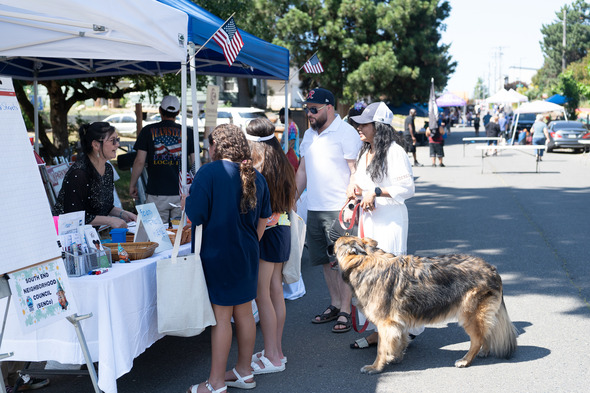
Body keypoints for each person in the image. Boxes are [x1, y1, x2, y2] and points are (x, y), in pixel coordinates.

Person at [185, 124, 271, 393]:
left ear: (215, 146)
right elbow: (264, 219)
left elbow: (195, 216)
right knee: (245, 313)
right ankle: (245, 372)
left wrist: (187, 198)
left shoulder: (208, 173)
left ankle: (216, 383)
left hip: (217, 254)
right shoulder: (256, 176)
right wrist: (249, 245)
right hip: (246, 253)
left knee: (222, 319)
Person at [345, 102, 421, 349]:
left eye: (364, 124)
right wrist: (353, 187)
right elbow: (358, 179)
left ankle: (394, 332)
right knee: (372, 277)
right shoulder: (364, 151)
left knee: (390, 279)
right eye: (358, 123)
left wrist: (376, 191)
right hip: (369, 221)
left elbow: (407, 188)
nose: (358, 127)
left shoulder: (395, 152)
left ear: (379, 126)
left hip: (390, 222)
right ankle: (381, 330)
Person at [295, 87, 362, 333]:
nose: (309, 114)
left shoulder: (346, 133)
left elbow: (355, 170)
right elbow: (302, 170)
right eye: (307, 110)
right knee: (325, 261)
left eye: (314, 109)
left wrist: (353, 197)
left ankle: (346, 308)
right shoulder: (308, 135)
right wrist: (293, 196)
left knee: (343, 262)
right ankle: (334, 304)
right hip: (314, 208)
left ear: (329, 108)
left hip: (340, 209)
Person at [246, 118, 297, 375]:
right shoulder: (284, 162)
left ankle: (273, 356)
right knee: (276, 291)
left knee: (262, 294)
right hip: (283, 229)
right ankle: (276, 352)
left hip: (267, 232)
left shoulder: (258, 168)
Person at [53, 122, 137, 227]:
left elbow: (106, 206)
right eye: (112, 140)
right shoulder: (79, 174)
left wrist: (124, 214)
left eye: (117, 139)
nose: (117, 144)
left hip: (90, 235)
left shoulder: (108, 169)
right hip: (67, 236)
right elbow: (74, 216)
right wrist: (110, 221)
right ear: (96, 145)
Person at [129, 95, 194, 224]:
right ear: (178, 112)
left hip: (156, 192)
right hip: (182, 193)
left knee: (156, 235)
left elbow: (139, 161)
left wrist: (132, 185)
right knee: (180, 235)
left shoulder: (147, 130)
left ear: (160, 110)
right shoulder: (188, 132)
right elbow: (194, 162)